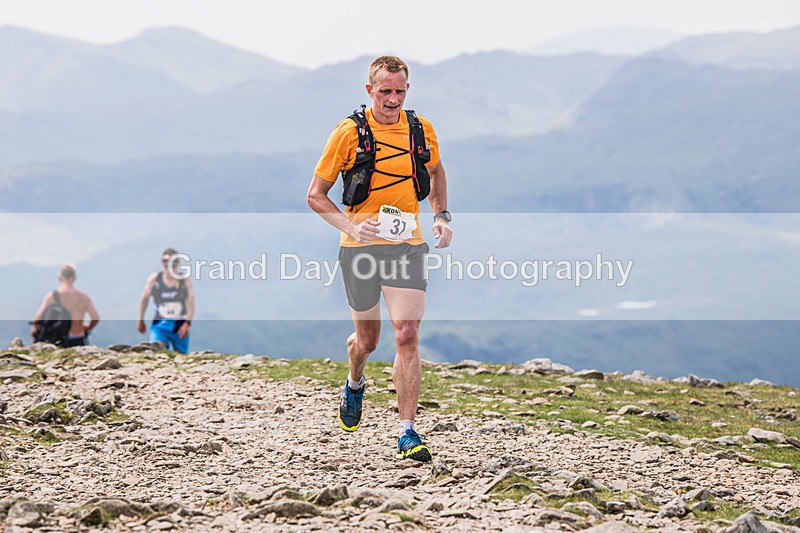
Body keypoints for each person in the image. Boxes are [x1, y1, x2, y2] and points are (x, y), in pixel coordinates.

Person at [308, 56, 452, 462]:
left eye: (400, 91)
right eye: (385, 91)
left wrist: (441, 215)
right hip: (360, 248)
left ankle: (407, 432)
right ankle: (355, 382)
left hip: (407, 242)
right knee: (367, 341)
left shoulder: (421, 129)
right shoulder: (348, 134)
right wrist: (351, 227)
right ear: (369, 90)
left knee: (406, 332)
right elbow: (315, 195)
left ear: (408, 89)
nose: (393, 98)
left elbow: (437, 171)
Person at [137, 248, 195, 354]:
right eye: (165, 261)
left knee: (181, 357)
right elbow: (145, 298)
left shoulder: (185, 281)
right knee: (157, 351)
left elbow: (191, 304)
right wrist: (140, 318)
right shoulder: (154, 279)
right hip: (160, 324)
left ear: (177, 263)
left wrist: (188, 323)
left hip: (179, 326)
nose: (168, 264)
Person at [31, 263, 100, 347]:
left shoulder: (52, 296)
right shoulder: (83, 297)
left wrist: (35, 329)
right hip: (78, 338)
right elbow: (95, 318)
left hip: (58, 338)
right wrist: (87, 328)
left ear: (59, 278)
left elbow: (37, 319)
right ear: (74, 278)